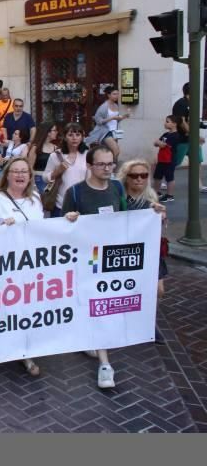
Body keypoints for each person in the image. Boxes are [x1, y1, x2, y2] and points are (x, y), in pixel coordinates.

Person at [61, 145, 126, 389]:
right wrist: (70, 222)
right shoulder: (76, 193)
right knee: (95, 308)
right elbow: (62, 230)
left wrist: (154, 214)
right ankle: (105, 364)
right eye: (102, 164)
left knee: (102, 309)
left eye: (111, 164)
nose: (108, 168)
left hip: (112, 260)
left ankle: (98, 350)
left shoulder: (118, 187)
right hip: (86, 261)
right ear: (89, 166)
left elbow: (127, 218)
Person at [0, 158, 44, 376]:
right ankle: (5, 346)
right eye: (15, 171)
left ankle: (25, 352)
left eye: (25, 171)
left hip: (32, 262)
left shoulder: (35, 199)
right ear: (7, 175)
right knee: (9, 306)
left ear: (30, 176)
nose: (20, 175)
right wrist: (2, 226)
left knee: (28, 306)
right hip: (7, 263)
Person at [118, 159, 168, 343]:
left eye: (143, 175)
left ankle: (148, 321)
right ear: (126, 177)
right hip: (127, 253)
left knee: (158, 290)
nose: (139, 179)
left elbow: (160, 226)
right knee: (129, 288)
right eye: (134, 175)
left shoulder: (151, 199)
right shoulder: (119, 198)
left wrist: (162, 216)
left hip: (151, 252)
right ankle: (135, 322)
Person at [43, 123, 88, 217]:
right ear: (64, 137)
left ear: (82, 137)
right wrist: (56, 172)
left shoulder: (87, 155)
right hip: (61, 204)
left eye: (78, 135)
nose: (74, 138)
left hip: (82, 203)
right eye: (70, 135)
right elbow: (45, 177)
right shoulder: (55, 155)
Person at [86, 86, 129, 161]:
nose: (116, 96)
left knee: (109, 152)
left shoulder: (116, 105)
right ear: (108, 95)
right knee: (116, 151)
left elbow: (116, 120)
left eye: (117, 94)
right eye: (114, 94)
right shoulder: (103, 107)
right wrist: (112, 118)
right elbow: (98, 121)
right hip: (105, 132)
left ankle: (107, 168)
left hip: (114, 132)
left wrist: (124, 117)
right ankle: (111, 167)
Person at [152, 115, 187, 203]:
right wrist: (158, 142)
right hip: (161, 159)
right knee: (157, 176)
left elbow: (163, 144)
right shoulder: (166, 134)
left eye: (167, 121)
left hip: (170, 160)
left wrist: (158, 142)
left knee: (169, 177)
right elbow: (156, 143)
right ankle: (156, 192)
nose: (165, 123)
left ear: (174, 124)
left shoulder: (176, 136)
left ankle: (169, 195)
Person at [27, 122, 58, 194]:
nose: (56, 132)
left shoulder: (55, 148)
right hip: (38, 179)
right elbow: (30, 167)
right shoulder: (36, 148)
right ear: (48, 132)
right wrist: (33, 185)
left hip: (51, 181)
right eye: (54, 130)